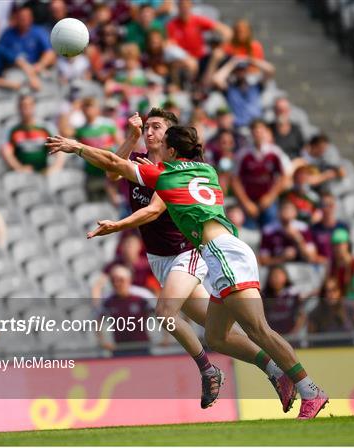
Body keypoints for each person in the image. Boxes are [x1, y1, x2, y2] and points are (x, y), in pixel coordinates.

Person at [47, 125, 329, 419]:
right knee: (217, 337)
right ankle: (277, 372)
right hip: (223, 252)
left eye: (162, 139)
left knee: (258, 329)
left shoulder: (167, 177)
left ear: (171, 151)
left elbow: (113, 165)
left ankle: (311, 390)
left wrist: (76, 146)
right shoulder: (207, 171)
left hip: (222, 254)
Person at [89, 109, 295, 411]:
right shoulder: (138, 161)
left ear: (170, 136)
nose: (148, 132)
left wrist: (117, 226)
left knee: (165, 312)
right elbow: (111, 171)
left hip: (186, 252)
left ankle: (208, 371)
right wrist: (130, 137)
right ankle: (275, 372)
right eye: (145, 127)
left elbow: (154, 210)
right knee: (216, 332)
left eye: (156, 127)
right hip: (160, 259)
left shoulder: (175, 168)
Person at [231, 119, 292, 229]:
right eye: (255, 131)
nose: (258, 134)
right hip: (249, 201)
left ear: (266, 132)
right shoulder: (243, 154)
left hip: (268, 201)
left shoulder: (275, 153)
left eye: (260, 131)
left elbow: (284, 176)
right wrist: (246, 202)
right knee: (248, 234)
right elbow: (235, 179)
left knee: (271, 231)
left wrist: (270, 197)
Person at [98, 264, 155, 357]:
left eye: (121, 280)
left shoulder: (142, 296)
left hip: (142, 347)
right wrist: (102, 341)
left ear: (129, 280)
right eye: (113, 280)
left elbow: (161, 314)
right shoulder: (108, 299)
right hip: (120, 348)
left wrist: (166, 338)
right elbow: (97, 319)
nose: (117, 283)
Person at [2, 94, 65, 174]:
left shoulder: (45, 127)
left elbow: (60, 149)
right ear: (18, 108)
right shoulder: (11, 129)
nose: (26, 108)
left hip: (43, 172)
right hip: (21, 174)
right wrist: (19, 168)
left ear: (34, 106)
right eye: (23, 105)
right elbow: (6, 152)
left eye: (29, 105)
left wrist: (55, 168)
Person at [212, 56, 275, 128]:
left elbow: (270, 70)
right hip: (239, 128)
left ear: (246, 71)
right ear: (234, 72)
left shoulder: (255, 87)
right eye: (238, 70)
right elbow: (216, 79)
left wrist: (251, 60)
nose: (241, 73)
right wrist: (233, 63)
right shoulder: (230, 90)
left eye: (243, 70)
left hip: (257, 127)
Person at [259, 199, 319, 266]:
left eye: (290, 209)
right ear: (278, 212)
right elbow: (263, 261)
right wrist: (282, 258)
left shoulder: (303, 228)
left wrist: (298, 240)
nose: (287, 212)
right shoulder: (269, 231)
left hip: (300, 268)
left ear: (295, 213)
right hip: (276, 268)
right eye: (284, 208)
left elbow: (311, 258)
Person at [166, 0, 231, 59]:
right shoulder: (172, 25)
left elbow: (226, 30)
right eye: (182, 6)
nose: (184, 8)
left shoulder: (197, 20)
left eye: (187, 6)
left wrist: (221, 47)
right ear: (178, 7)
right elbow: (170, 43)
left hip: (200, 57)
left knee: (217, 55)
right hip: (183, 59)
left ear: (191, 6)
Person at [0, 5, 55, 72]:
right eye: (21, 17)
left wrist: (40, 65)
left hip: (35, 68)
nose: (23, 19)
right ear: (17, 18)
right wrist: (17, 61)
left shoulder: (39, 32)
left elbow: (50, 52)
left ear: (31, 18)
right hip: (14, 69)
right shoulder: (8, 34)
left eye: (26, 17)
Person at [262, 266, 306, 337]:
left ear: (285, 276)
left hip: (292, 337)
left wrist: (293, 333)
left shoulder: (293, 294)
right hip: (272, 338)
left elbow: (301, 316)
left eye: (278, 275)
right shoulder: (264, 296)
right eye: (273, 276)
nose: (275, 278)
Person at [311, 192, 349, 263]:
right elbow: (312, 255)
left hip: (339, 267)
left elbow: (347, 252)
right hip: (321, 267)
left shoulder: (343, 227)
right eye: (325, 205)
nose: (329, 208)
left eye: (331, 204)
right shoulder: (314, 229)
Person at [329, 228, 354, 297]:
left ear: (347, 245)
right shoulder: (332, 264)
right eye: (334, 245)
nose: (337, 248)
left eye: (339, 244)